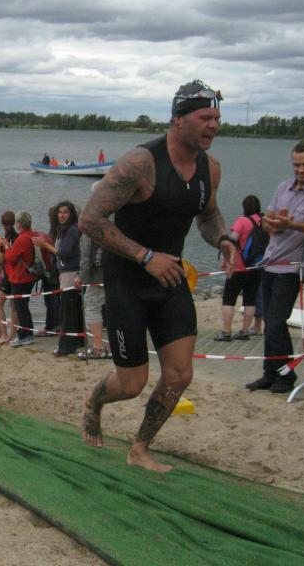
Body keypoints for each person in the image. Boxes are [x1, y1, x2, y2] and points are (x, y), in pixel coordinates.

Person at [79, 79, 234, 472]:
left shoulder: (210, 169)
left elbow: (208, 214)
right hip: (127, 281)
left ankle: (139, 447)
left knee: (179, 375)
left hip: (170, 279)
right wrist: (145, 256)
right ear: (178, 119)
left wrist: (224, 240)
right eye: (205, 117)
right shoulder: (140, 163)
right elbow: (90, 219)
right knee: (130, 385)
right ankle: (94, 400)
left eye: (217, 118)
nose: (214, 125)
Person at [246, 140, 304, 394]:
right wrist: (274, 223)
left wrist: (294, 225)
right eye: (297, 164)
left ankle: (286, 377)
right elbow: (266, 222)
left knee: (276, 322)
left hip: (292, 269)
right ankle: (269, 374)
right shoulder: (282, 187)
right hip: (269, 264)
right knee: (269, 322)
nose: (301, 169)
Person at [33, 200, 83, 356]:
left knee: (67, 310)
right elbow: (59, 254)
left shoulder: (72, 230)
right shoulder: (63, 231)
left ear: (71, 214)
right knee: (73, 309)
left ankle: (66, 346)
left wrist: (45, 245)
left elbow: (64, 253)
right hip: (65, 272)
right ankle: (77, 341)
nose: (62, 215)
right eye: (60, 212)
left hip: (70, 273)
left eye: (65, 212)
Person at [214, 195, 265, 341]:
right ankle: (244, 331)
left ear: (244, 207)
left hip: (237, 267)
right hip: (255, 267)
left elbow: (231, 243)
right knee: (250, 300)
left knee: (229, 299)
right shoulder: (263, 222)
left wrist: (225, 261)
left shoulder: (241, 221)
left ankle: (226, 332)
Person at [76, 184, 111, 360]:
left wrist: (80, 277)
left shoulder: (92, 220)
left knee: (92, 306)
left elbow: (86, 254)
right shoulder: (118, 213)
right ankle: (115, 345)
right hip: (117, 272)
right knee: (114, 307)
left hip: (98, 274)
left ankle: (98, 346)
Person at [3, 211, 38, 347]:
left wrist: (6, 246)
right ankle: (28, 333)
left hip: (21, 277)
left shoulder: (22, 239)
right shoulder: (33, 235)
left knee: (20, 308)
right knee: (24, 306)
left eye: (17, 223)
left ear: (18, 224)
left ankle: (25, 335)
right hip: (30, 276)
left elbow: (11, 259)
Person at [0, 211, 20, 343]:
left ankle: (5, 335)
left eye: (5, 225)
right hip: (14, 274)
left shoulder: (10, 238)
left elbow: (1, 259)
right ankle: (12, 335)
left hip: (10, 274)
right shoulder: (14, 237)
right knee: (13, 305)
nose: (5, 227)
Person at [36, 205, 60, 337]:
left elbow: (54, 252)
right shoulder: (56, 232)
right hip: (54, 269)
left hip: (52, 271)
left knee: (51, 299)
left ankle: (52, 326)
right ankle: (55, 324)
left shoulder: (55, 233)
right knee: (54, 298)